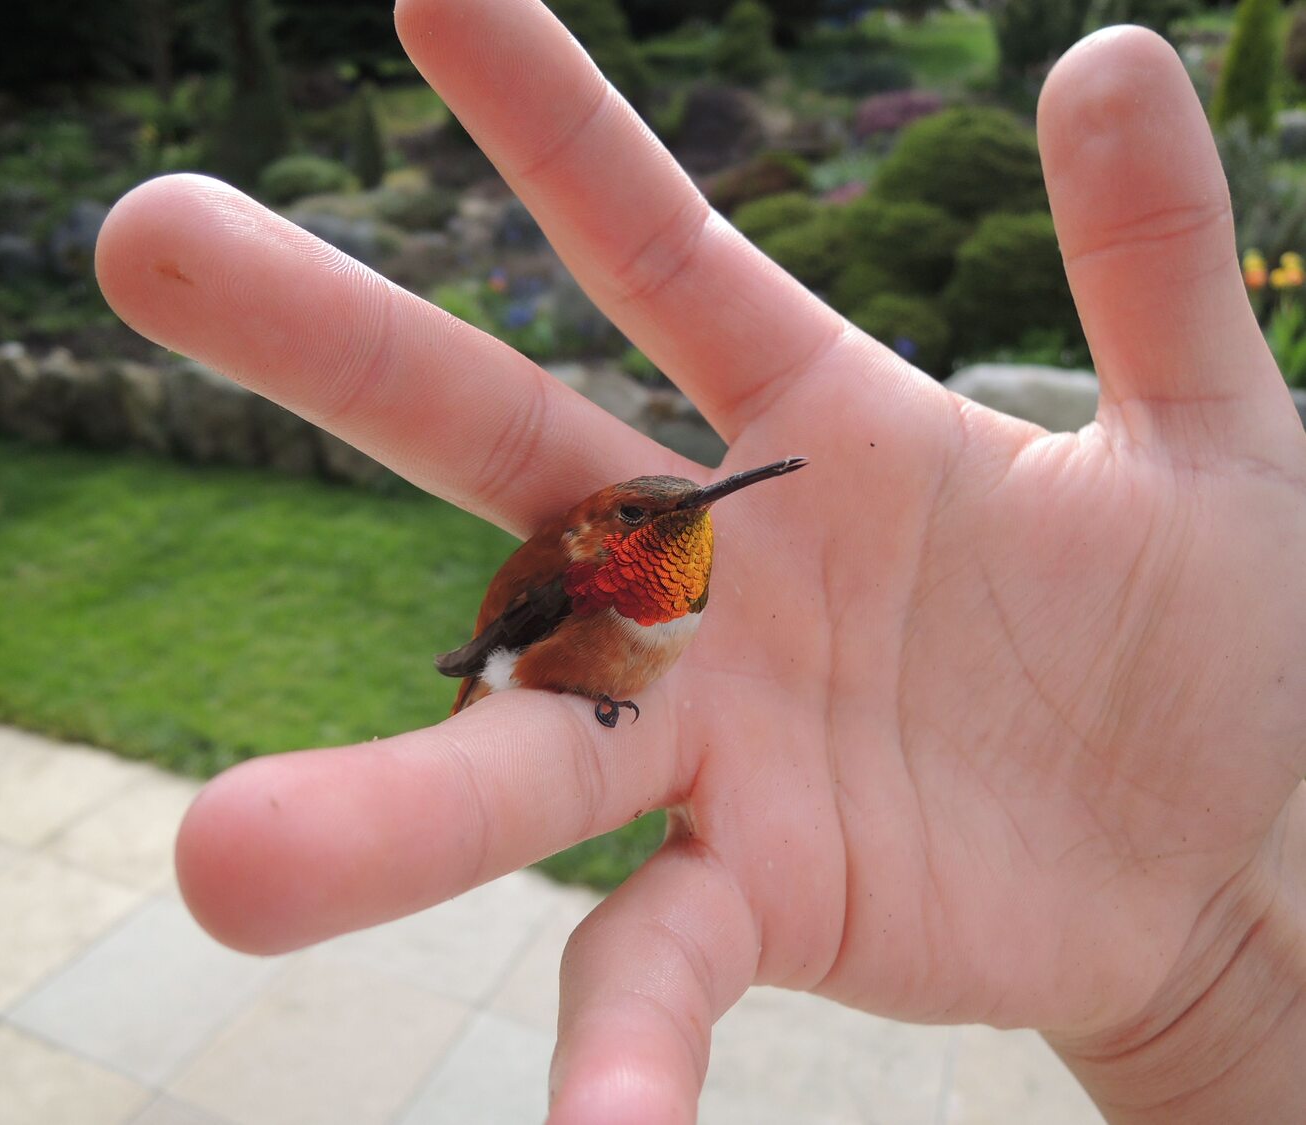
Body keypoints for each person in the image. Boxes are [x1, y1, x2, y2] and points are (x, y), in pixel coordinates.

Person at [95, 3, 1306, 1121]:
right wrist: (1218, 1001)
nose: (689, 522)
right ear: (602, 541)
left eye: (698, 512)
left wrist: (1227, 983)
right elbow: (515, 640)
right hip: (547, 663)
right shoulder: (573, 582)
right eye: (650, 522)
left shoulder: (679, 586)